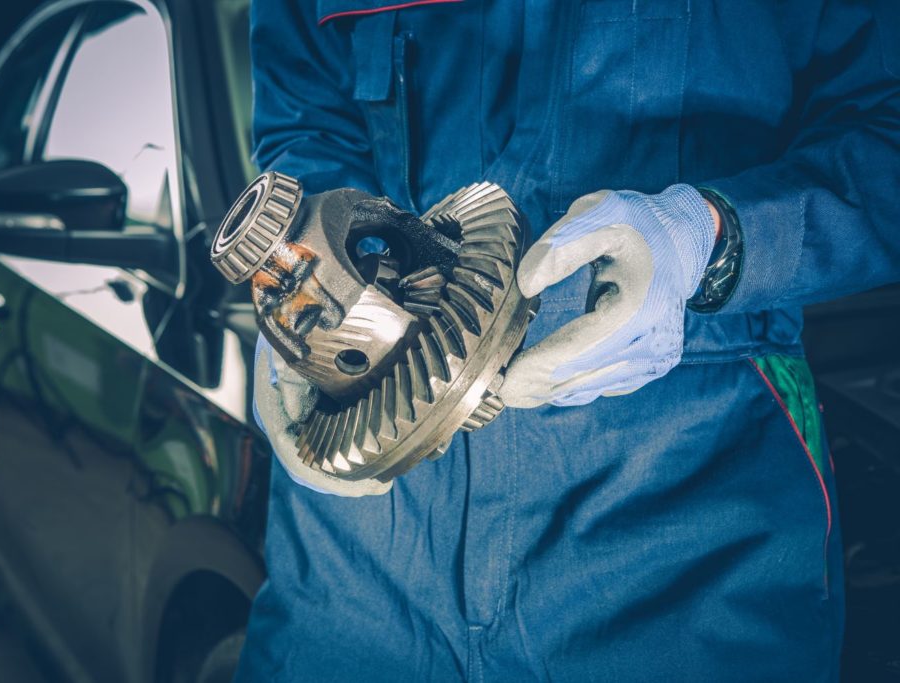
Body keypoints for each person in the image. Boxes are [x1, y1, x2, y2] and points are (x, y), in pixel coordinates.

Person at [235, 1, 900, 680]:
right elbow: (306, 125)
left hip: (685, 523)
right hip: (362, 545)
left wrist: (710, 240)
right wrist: (310, 287)